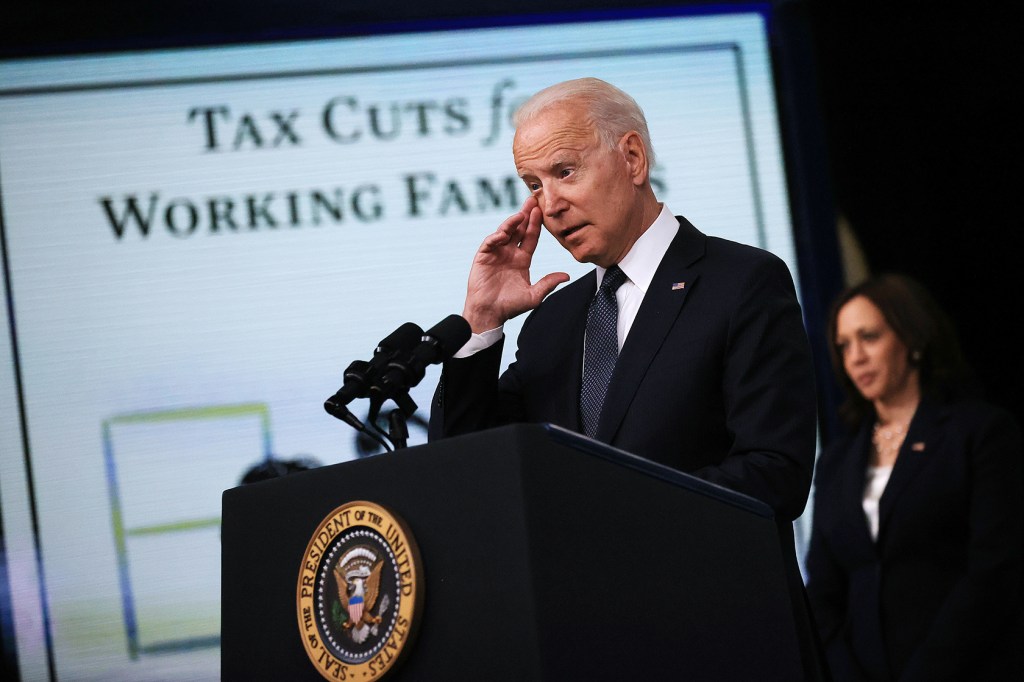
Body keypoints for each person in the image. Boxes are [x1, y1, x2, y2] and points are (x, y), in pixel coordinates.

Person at [428, 77, 824, 676]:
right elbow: (467, 475)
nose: (548, 205)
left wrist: (606, 524)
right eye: (533, 185)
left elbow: (776, 474)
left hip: (721, 641)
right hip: (591, 648)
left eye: (564, 172)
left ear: (632, 158)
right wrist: (481, 323)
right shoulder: (555, 318)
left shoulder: (741, 281)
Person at [804, 273, 1024, 681]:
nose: (855, 358)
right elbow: (822, 592)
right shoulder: (836, 462)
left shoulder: (980, 434)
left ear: (913, 338)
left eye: (868, 337)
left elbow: (994, 572)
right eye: (843, 345)